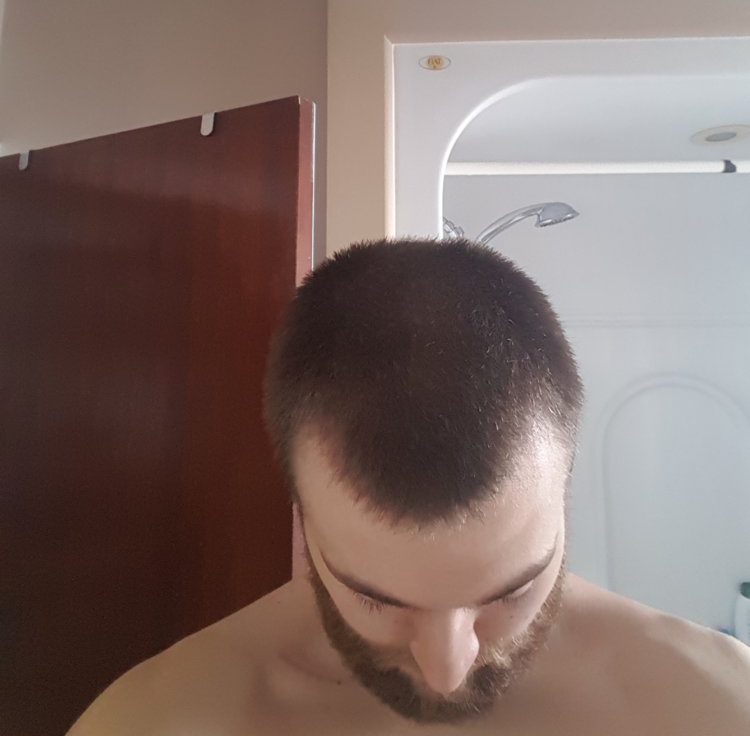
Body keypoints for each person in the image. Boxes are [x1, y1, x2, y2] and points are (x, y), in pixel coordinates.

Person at [69, 238, 750, 734]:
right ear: (303, 514)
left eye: (512, 592)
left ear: (564, 490)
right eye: (376, 600)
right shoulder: (159, 722)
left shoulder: (717, 706)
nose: (447, 670)